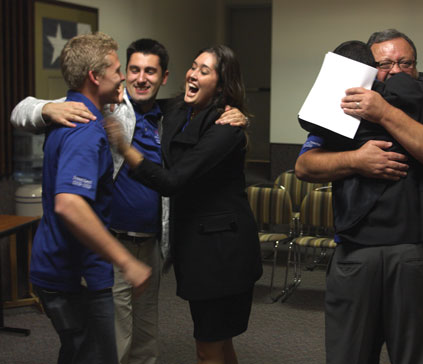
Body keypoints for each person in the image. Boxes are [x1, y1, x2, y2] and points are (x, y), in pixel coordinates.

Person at [10, 39, 248, 364]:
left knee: (146, 342)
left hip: (152, 246)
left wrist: (237, 114)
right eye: (131, 69)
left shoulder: (173, 114)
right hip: (113, 244)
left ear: (164, 78)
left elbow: (207, 123)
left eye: (150, 71)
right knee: (112, 345)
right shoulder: (106, 109)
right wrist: (46, 108)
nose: (138, 78)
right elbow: (19, 111)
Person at [295, 30, 423, 364]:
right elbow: (304, 166)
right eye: (385, 64)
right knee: (349, 352)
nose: (396, 71)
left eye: (405, 63)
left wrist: (384, 112)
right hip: (356, 247)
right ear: (369, 69)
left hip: (422, 251)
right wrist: (355, 160)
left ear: (417, 66)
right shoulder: (347, 100)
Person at [105, 44, 262, 364]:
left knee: (208, 349)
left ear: (221, 84)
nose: (193, 74)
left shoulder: (224, 126)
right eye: (193, 66)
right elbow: (145, 95)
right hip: (197, 249)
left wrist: (125, 148)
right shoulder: (178, 110)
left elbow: (173, 180)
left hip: (222, 254)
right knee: (219, 342)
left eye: (205, 71)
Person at [29, 32, 151, 364]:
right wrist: (126, 261)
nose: (123, 76)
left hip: (67, 270)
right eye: (116, 69)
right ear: (95, 77)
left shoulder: (75, 116)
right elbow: (69, 203)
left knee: (78, 354)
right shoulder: (84, 129)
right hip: (73, 275)